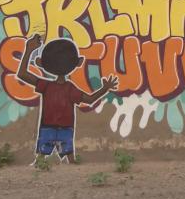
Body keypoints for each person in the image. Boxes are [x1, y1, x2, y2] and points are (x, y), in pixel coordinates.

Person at [16, 34, 118, 163]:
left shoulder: (47, 86)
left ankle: (43, 164)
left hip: (50, 127)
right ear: (79, 62)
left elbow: (22, 74)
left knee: (43, 158)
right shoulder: (68, 88)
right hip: (63, 128)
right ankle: (62, 162)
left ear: (41, 63)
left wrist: (29, 50)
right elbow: (90, 99)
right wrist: (105, 88)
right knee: (69, 159)